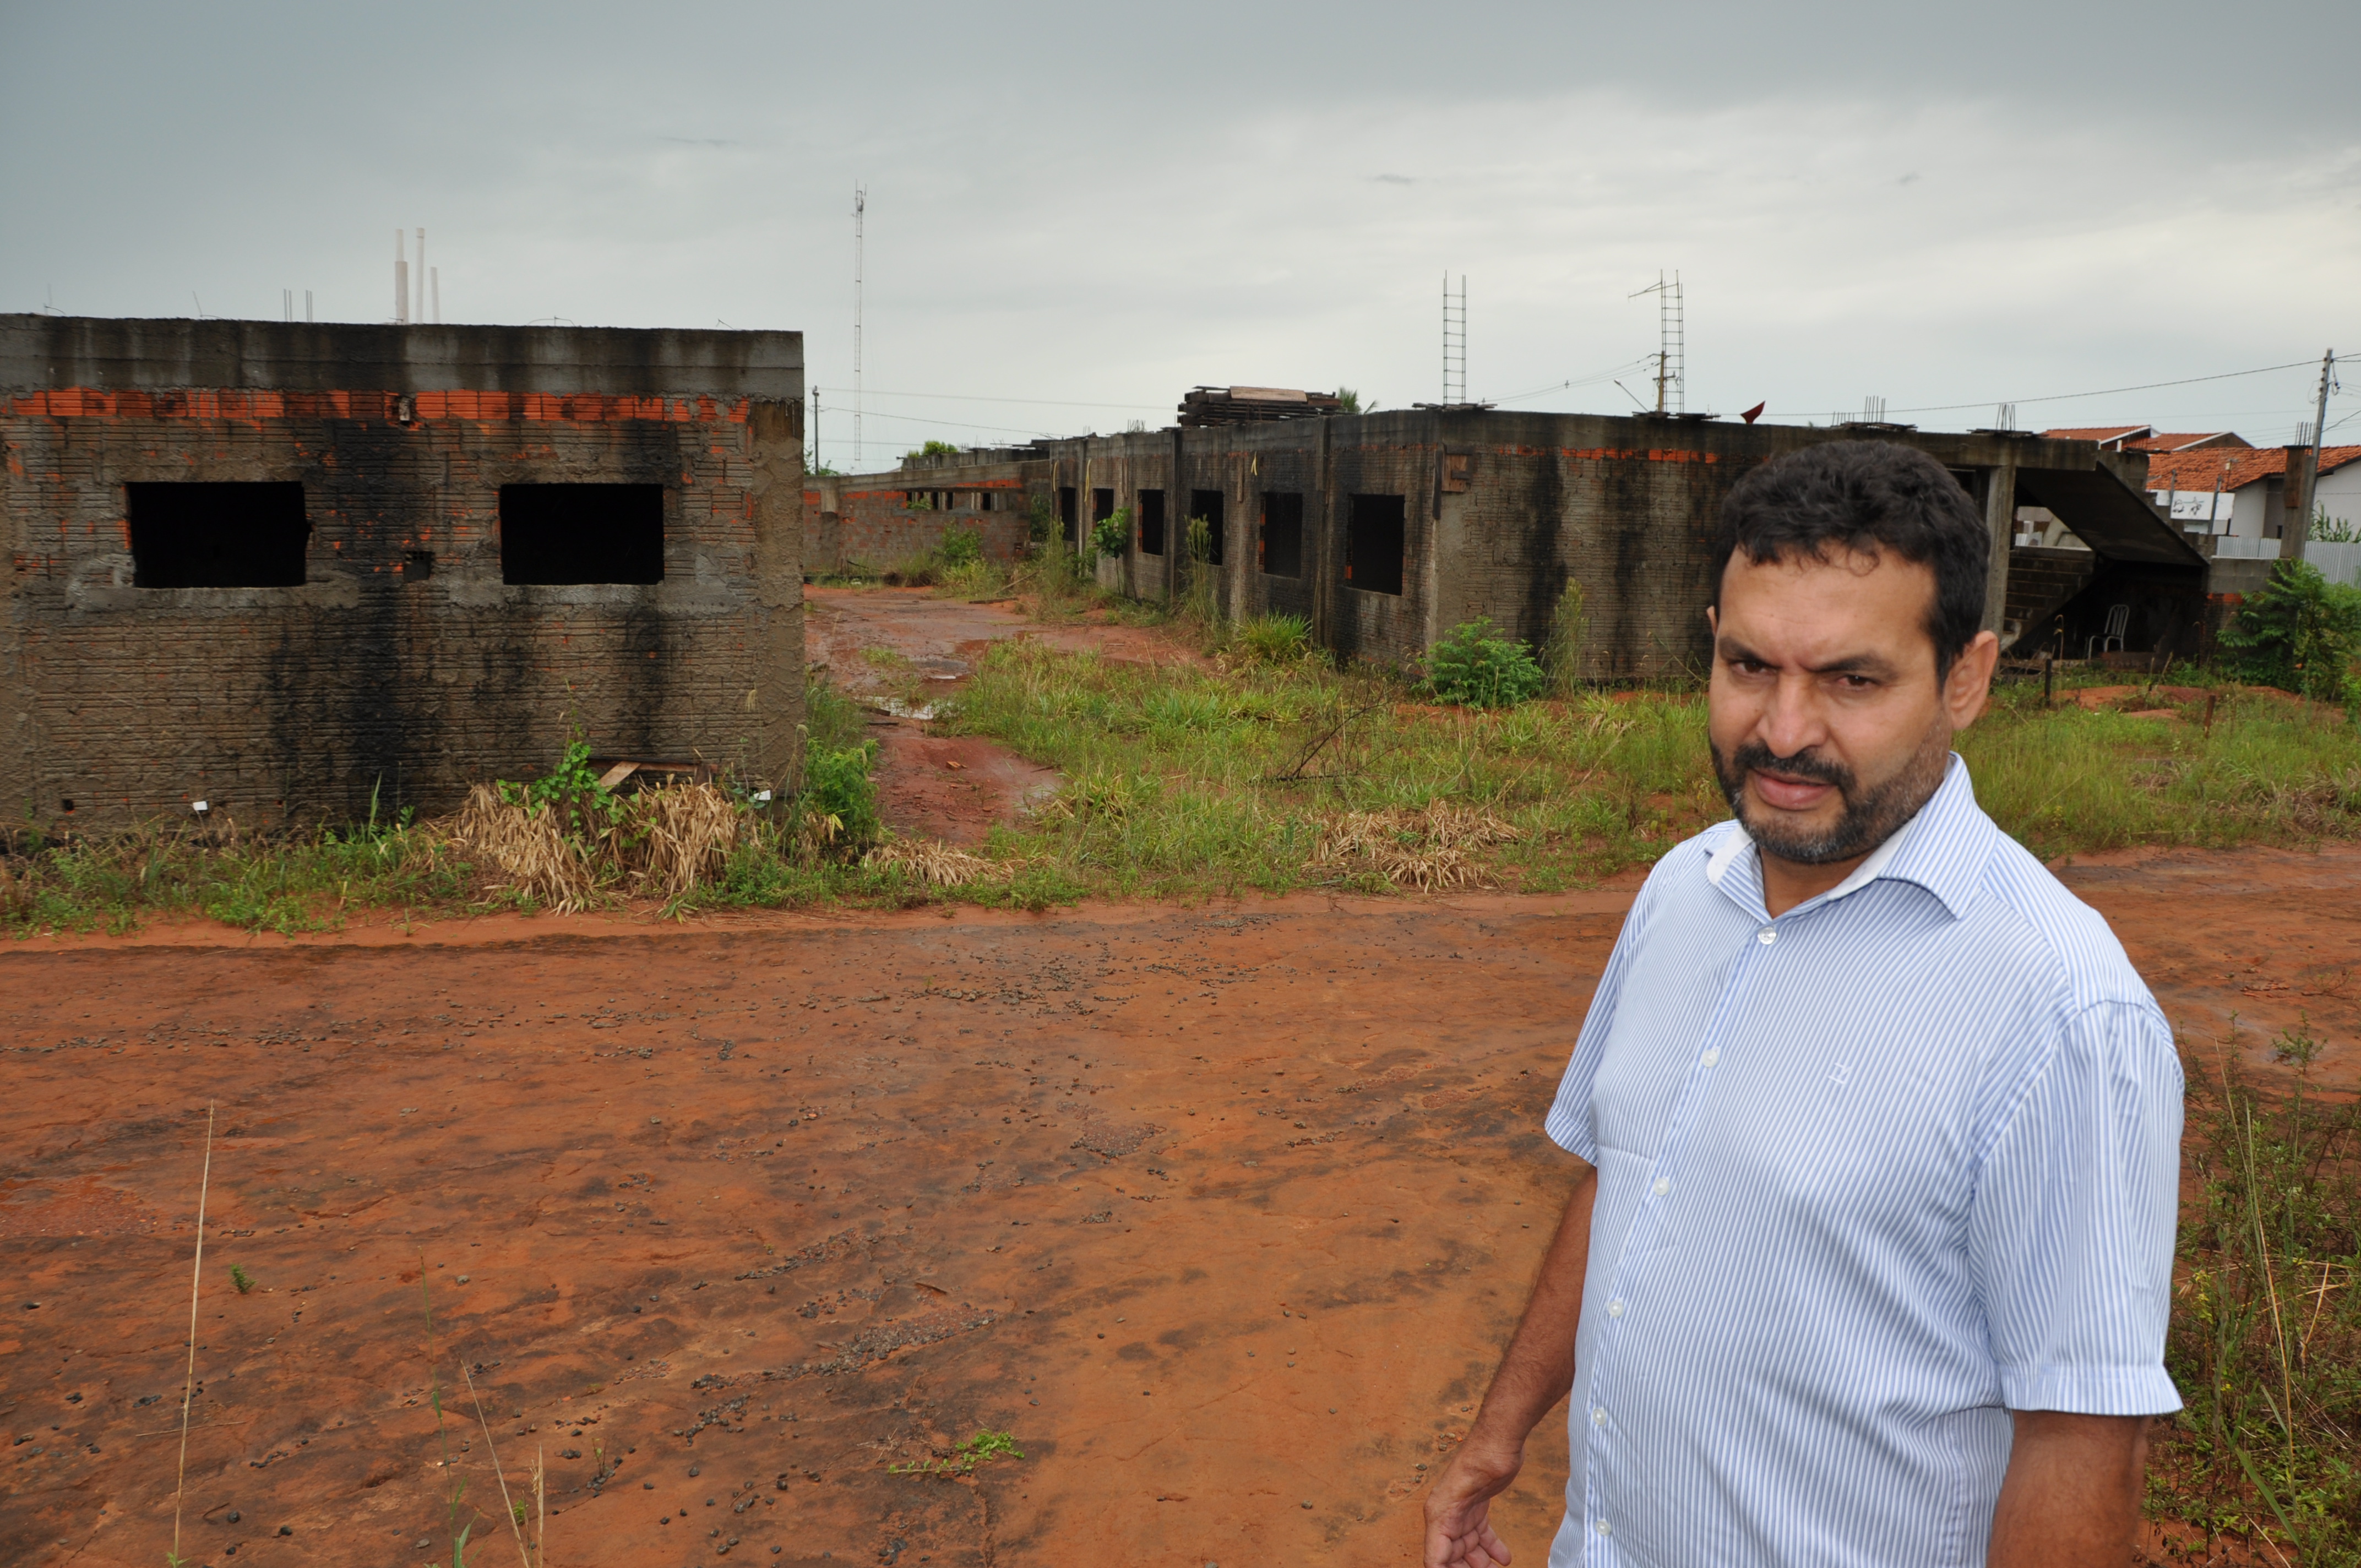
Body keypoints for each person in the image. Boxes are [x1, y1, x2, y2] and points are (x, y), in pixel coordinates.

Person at [1424, 440, 2183, 1568]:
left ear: (1965, 679)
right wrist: (1498, 1435)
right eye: (1748, 666)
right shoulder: (1682, 888)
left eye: (1850, 680)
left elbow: (2079, 1431)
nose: (1782, 731)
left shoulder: (2061, 1012)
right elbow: (1627, 1174)